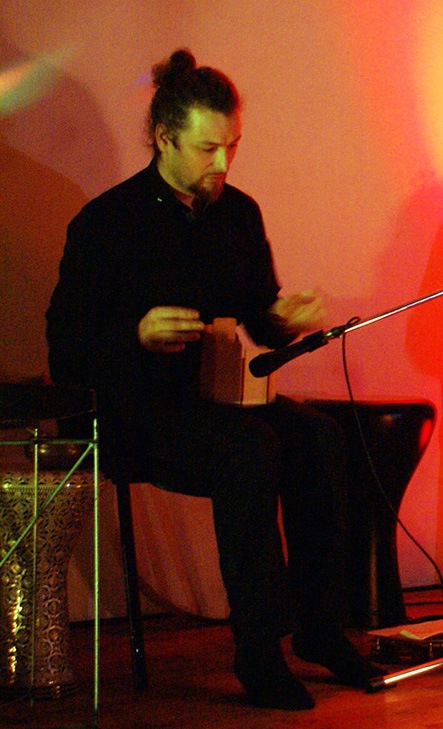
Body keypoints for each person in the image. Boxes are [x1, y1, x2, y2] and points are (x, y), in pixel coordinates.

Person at [46, 49, 382, 711]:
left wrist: (284, 320)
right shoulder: (106, 223)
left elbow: (259, 317)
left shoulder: (237, 214)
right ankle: (258, 649)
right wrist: (136, 333)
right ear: (164, 139)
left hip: (215, 399)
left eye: (232, 146)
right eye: (207, 148)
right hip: (131, 411)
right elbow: (66, 346)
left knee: (318, 437)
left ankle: (320, 627)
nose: (223, 163)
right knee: (248, 447)